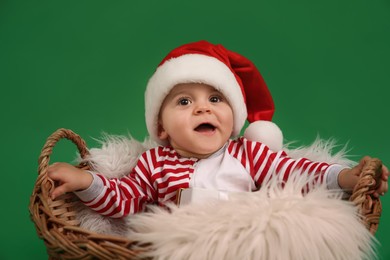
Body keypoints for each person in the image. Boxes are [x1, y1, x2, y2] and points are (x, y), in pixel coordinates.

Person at [48, 40, 388, 218]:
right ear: (162, 128)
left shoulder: (248, 153)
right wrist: (86, 182)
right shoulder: (154, 162)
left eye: (215, 98)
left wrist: (345, 178)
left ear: (234, 118)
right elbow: (125, 201)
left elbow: (297, 172)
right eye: (183, 101)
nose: (202, 107)